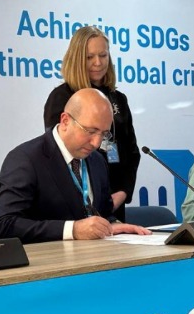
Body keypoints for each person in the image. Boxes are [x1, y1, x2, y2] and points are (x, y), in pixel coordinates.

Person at [0, 88, 150, 243]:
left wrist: (112, 225)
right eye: (90, 131)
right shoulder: (26, 159)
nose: (96, 143)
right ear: (65, 121)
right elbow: (4, 225)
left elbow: (102, 212)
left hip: (95, 253)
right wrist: (72, 230)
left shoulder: (97, 160)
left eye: (104, 134)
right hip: (48, 256)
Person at [44, 26, 140, 222]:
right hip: (79, 204)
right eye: (89, 57)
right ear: (77, 59)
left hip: (115, 202)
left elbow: (131, 151)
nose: (98, 62)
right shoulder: (61, 97)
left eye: (103, 55)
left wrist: (123, 192)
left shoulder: (118, 98)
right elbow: (59, 154)